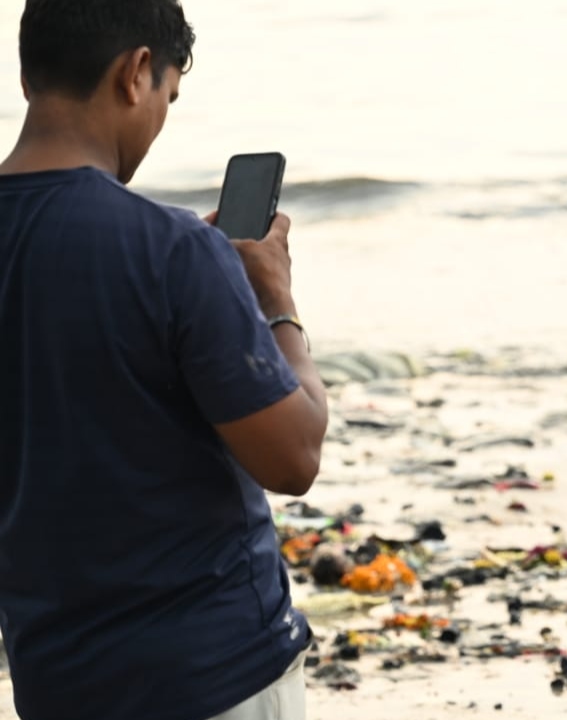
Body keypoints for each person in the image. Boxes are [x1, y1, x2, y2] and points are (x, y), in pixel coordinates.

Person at [0, 2, 329, 719]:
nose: (158, 121)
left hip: (53, 677)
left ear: (30, 78)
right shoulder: (172, 250)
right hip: (211, 671)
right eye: (167, 98)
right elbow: (294, 456)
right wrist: (275, 302)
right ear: (136, 72)